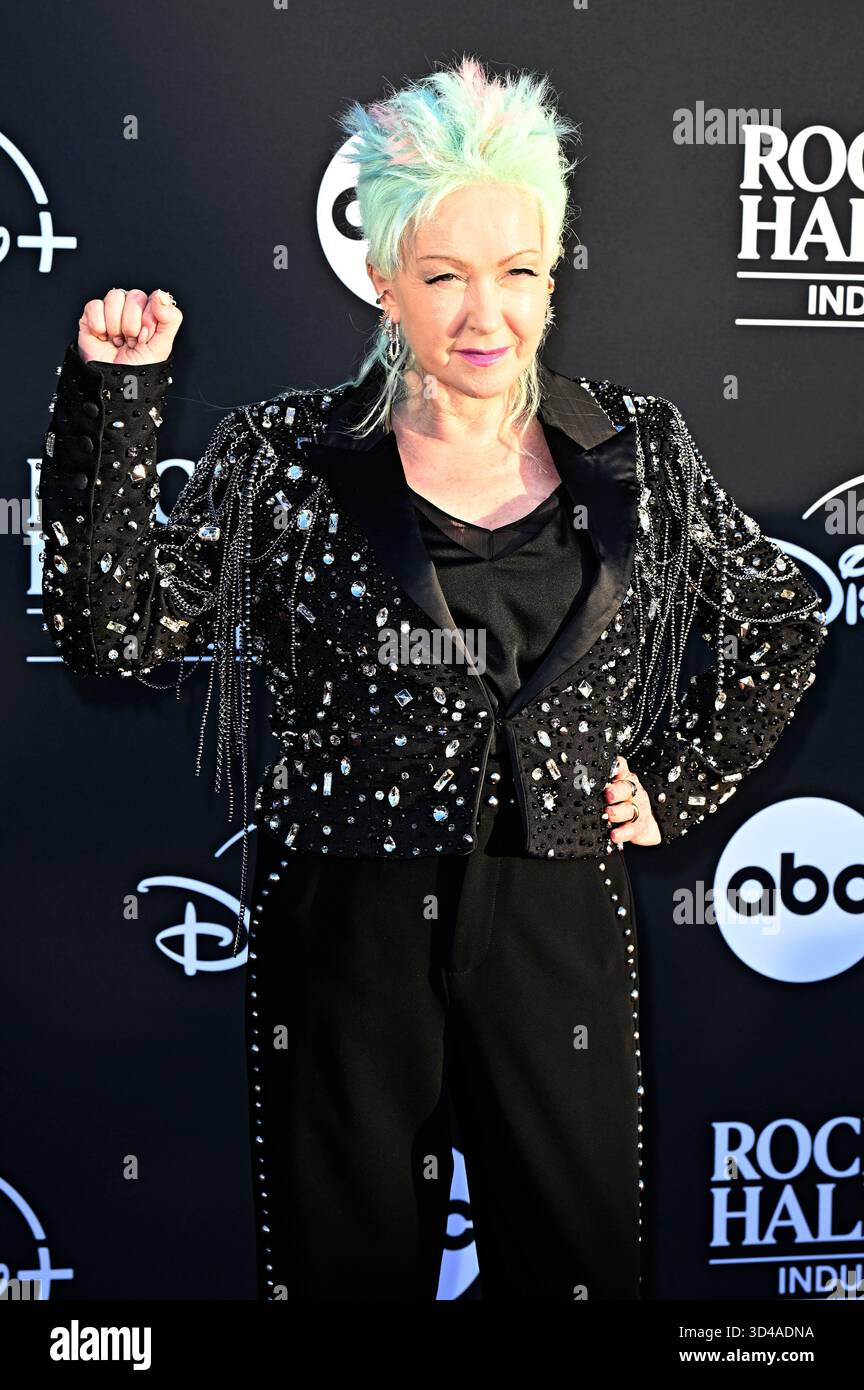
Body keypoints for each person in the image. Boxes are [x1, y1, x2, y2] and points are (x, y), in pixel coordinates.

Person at [38, 55, 827, 1301]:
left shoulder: (639, 448)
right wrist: (118, 402)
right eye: (446, 275)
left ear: (552, 276)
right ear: (384, 277)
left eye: (517, 273)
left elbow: (782, 616)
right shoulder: (287, 459)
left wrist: (682, 779)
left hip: (557, 919)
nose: (485, 315)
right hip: (345, 929)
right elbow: (117, 634)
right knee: (345, 1275)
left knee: (573, 1274)